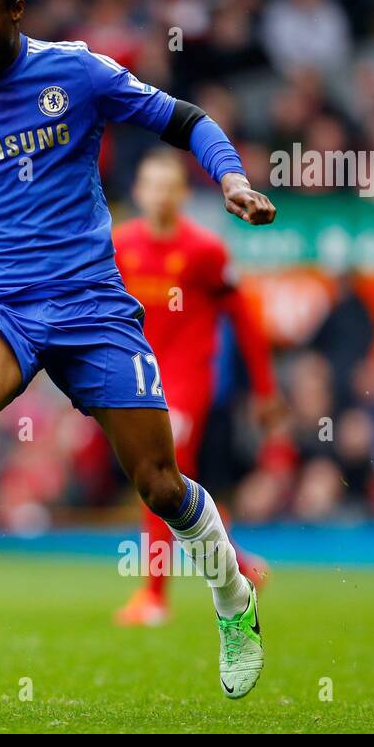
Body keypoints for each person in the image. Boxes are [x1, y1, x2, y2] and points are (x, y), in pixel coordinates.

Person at [0, 0, 277, 699]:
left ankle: (232, 601)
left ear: (16, 10)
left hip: (91, 305)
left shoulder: (77, 73)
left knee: (159, 483)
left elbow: (183, 120)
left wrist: (233, 177)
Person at [112, 150, 280, 627]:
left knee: (157, 476)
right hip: (139, 380)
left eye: (170, 185)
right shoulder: (119, 245)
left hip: (187, 382)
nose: (161, 194)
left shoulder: (205, 250)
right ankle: (241, 564)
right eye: (152, 184)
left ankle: (154, 596)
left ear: (183, 194)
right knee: (176, 483)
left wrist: (265, 389)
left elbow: (243, 319)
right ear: (140, 192)